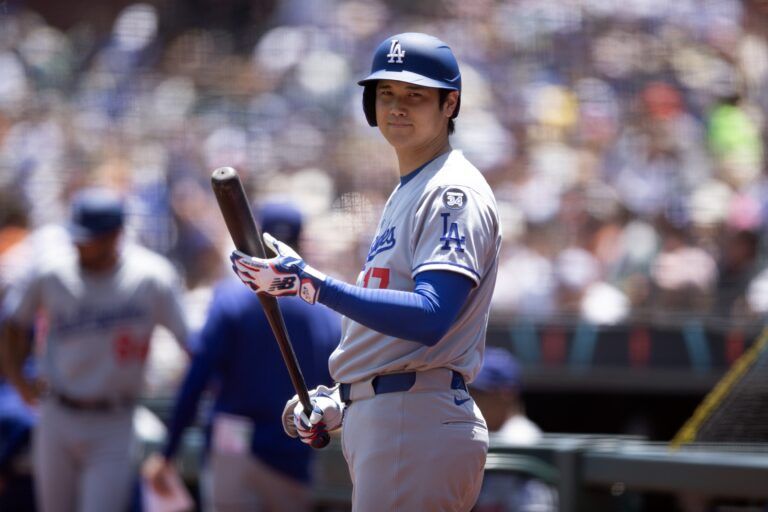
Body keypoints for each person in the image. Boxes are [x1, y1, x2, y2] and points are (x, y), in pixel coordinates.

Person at [230, 33, 502, 511]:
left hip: (414, 423)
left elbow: (431, 315)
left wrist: (310, 284)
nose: (397, 106)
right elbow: (397, 344)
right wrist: (341, 401)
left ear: (450, 103)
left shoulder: (451, 191)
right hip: (400, 419)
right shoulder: (411, 189)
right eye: (386, 93)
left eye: (415, 94)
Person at [0, 187, 190, 512]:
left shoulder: (151, 277)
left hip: (113, 419)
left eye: (89, 238)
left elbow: (191, 344)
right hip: (57, 412)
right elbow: (13, 326)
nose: (79, 244)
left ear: (115, 235)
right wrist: (19, 381)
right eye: (77, 236)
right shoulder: (52, 271)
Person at [143, 202, 341, 512]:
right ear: (298, 242)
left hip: (234, 449)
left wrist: (169, 451)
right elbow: (335, 382)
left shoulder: (230, 298)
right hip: (292, 453)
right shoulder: (320, 308)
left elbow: (198, 375)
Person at [470, 346, 558, 512]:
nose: (472, 400)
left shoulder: (522, 438)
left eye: (479, 393)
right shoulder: (490, 433)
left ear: (505, 394)